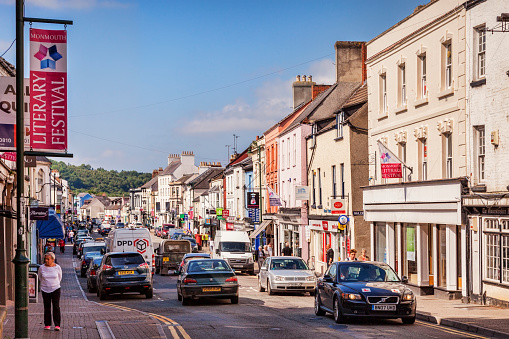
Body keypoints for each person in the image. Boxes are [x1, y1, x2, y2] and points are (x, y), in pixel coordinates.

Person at [38, 252, 62, 331]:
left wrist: (54, 284)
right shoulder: (42, 267)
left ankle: (57, 325)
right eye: (45, 259)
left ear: (53, 259)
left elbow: (59, 277)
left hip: (55, 289)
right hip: (45, 289)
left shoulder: (57, 267)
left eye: (48, 259)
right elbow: (40, 277)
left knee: (56, 306)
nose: (46, 260)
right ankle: (47, 324)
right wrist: (45, 285)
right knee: (47, 307)